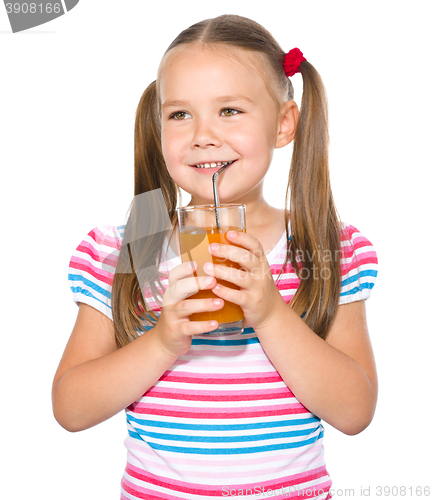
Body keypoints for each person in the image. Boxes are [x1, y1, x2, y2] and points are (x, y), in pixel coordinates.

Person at [52, 14, 378, 500]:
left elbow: (354, 412)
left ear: (284, 124)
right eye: (180, 114)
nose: (203, 135)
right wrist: (164, 339)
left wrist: (269, 312)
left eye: (229, 110)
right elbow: (71, 409)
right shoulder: (140, 238)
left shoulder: (323, 243)